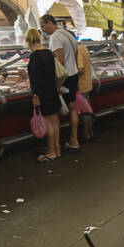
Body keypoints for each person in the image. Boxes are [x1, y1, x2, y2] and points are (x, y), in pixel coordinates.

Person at [40, 14, 80, 150]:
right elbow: (75, 56)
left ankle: (55, 145)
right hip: (74, 74)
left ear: (50, 23)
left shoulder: (55, 37)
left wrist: (54, 81)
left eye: (43, 25)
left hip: (65, 78)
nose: (42, 29)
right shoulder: (69, 34)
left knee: (57, 112)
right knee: (73, 108)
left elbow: (60, 61)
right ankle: (74, 138)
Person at [25, 28, 61, 163]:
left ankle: (51, 152)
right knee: (55, 122)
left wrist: (35, 96)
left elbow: (35, 79)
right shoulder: (48, 53)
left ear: (28, 41)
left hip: (43, 94)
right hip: (52, 90)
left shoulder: (35, 56)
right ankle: (57, 149)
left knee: (49, 124)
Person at [77, 41, 93, 140]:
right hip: (87, 83)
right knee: (87, 110)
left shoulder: (77, 50)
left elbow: (80, 69)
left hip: (81, 85)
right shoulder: (83, 47)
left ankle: (86, 133)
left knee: (84, 112)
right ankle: (89, 132)